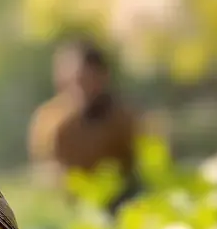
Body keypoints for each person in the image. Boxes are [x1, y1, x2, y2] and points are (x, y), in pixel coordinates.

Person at [27, 38, 140, 211]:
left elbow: (139, 165)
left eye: (86, 80)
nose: (80, 89)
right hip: (73, 209)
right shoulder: (52, 123)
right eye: (73, 81)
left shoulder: (125, 118)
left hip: (122, 203)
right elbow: (46, 171)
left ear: (103, 76)